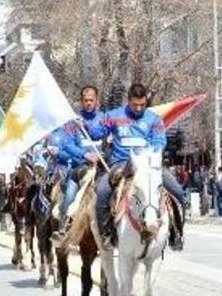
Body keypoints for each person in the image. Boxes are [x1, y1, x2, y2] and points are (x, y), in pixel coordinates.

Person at [94, 84, 187, 249]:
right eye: (134, 104)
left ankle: (176, 233)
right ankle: (106, 235)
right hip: (121, 164)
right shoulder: (114, 116)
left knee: (178, 192)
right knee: (102, 192)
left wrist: (151, 155)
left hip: (148, 165)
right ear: (128, 101)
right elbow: (96, 131)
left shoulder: (153, 118)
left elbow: (159, 141)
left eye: (142, 105)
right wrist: (88, 126)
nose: (138, 108)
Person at [55, 85, 107, 235]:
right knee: (70, 196)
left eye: (91, 100)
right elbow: (67, 144)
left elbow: (112, 139)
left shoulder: (104, 119)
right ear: (81, 101)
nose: (88, 103)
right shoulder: (73, 122)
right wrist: (85, 155)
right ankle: (62, 226)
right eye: (85, 100)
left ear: (97, 100)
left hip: (102, 167)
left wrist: (107, 147)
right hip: (80, 168)